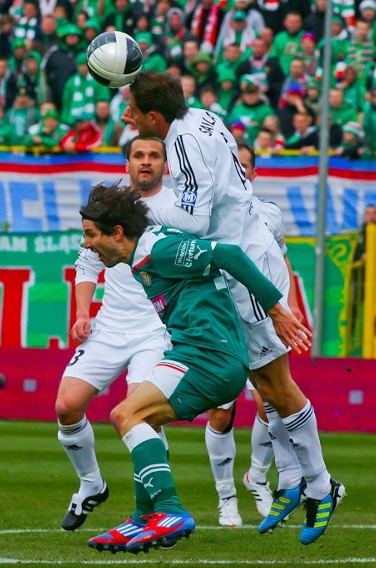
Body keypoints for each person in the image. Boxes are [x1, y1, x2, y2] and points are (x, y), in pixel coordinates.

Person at [122, 71, 342, 545]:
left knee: (276, 385)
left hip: (245, 265)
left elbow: (197, 221)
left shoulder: (181, 145)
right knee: (266, 385)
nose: (127, 117)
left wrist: (142, 205)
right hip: (246, 252)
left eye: (134, 111)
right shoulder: (202, 116)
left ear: (154, 117)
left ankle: (322, 487)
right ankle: (296, 480)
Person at [81, 183, 290, 554]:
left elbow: (228, 254)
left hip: (210, 357)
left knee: (127, 414)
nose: (86, 245)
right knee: (141, 419)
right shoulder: (143, 255)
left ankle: (169, 510)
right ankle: (143, 516)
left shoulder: (159, 249)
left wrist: (276, 309)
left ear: (116, 233)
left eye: (90, 235)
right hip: (194, 352)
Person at [55, 136, 176, 532]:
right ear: (127, 163)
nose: (146, 162)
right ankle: (91, 484)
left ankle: (157, 509)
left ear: (165, 164)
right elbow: (87, 262)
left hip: (157, 328)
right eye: (138, 155)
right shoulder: (109, 209)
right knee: (66, 406)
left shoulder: (179, 208)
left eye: (153, 156)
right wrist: (83, 313)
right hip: (110, 325)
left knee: (142, 415)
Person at [204, 143, 306, 527]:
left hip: (264, 318)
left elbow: (281, 258)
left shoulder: (269, 214)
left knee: (272, 402)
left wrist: (290, 305)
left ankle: (257, 477)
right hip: (223, 322)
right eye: (236, 165)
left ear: (254, 173)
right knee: (221, 410)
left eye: (247, 167)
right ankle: (225, 497)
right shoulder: (208, 215)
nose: (241, 172)